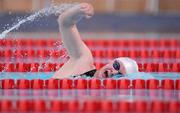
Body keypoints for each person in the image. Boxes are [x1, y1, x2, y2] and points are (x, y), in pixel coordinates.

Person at [52, 3, 138, 79]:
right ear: (111, 61)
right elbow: (65, 23)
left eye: (119, 75)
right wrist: (78, 11)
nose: (114, 72)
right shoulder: (83, 60)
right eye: (116, 66)